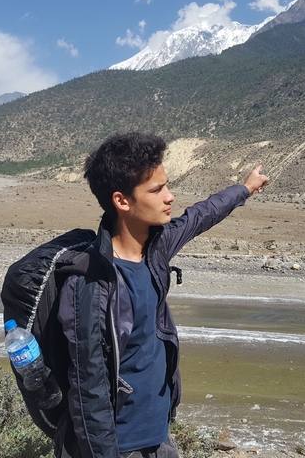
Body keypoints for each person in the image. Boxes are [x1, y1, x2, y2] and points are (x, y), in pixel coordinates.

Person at [55, 132, 269, 457]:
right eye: (157, 190)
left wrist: (246, 188)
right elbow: (89, 394)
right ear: (122, 201)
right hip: (121, 448)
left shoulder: (156, 247)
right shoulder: (93, 286)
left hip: (160, 438)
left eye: (167, 185)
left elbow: (201, 214)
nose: (169, 197)